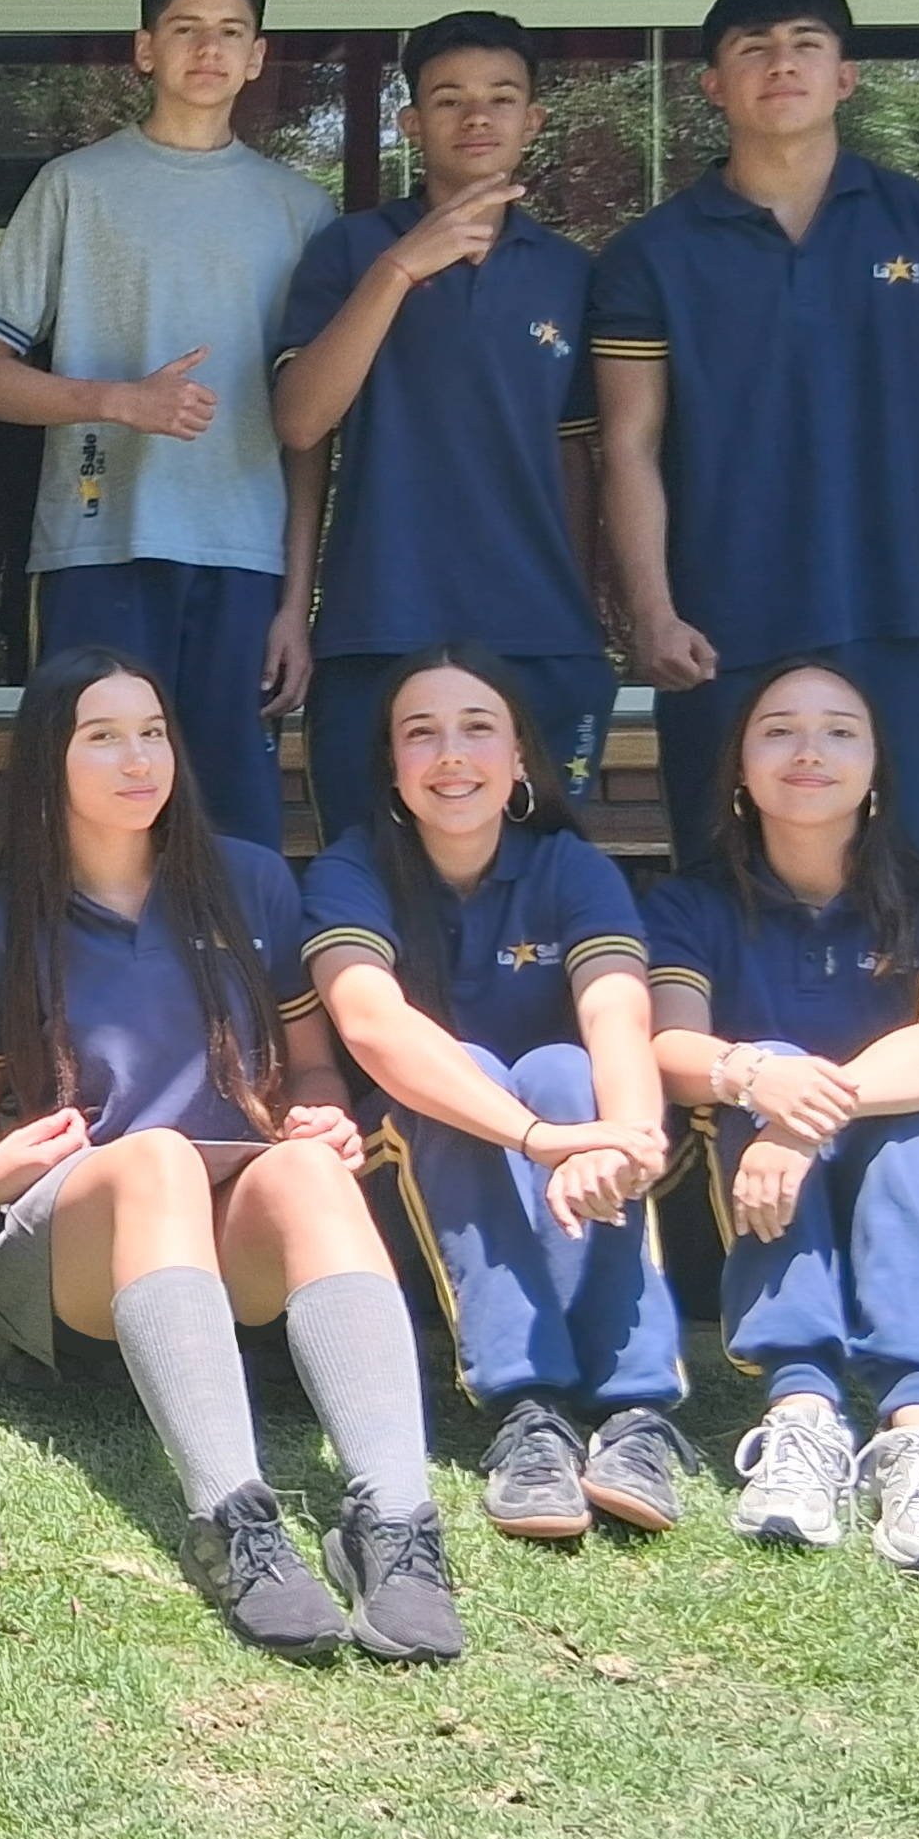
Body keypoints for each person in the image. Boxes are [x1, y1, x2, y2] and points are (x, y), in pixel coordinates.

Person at [0, 647, 461, 1664]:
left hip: (230, 1243)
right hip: (76, 1262)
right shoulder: (5, 927)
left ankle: (396, 1524)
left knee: (305, 1171)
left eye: (153, 733)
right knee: (158, 1159)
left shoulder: (251, 884)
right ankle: (234, 1521)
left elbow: (315, 1069)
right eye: (102, 737)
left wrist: (322, 1117)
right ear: (50, 761)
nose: (138, 760)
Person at [591, 0, 919, 873]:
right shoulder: (649, 257)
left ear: (846, 77)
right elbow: (629, 444)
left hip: (904, 610)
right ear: (712, 86)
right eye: (752, 47)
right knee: (725, 883)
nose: (781, 63)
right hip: (719, 624)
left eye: (806, 43)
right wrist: (651, 613)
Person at [0, 0, 332, 850]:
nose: (209, 49)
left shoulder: (301, 210)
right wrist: (118, 400)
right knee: (89, 814)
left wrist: (297, 602)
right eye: (186, 29)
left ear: (257, 57)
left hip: (243, 556)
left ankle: (236, 993)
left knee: (233, 822)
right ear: (144, 50)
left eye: (230, 32)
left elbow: (312, 433)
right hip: (99, 542)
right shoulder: (75, 188)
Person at [646, 663, 919, 1581]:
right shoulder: (687, 904)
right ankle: (800, 1412)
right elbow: (666, 1042)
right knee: (750, 1081)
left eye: (841, 732)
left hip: (913, 1200)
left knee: (908, 1120)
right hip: (735, 1212)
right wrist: (755, 1075)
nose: (809, 751)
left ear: (880, 766)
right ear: (737, 766)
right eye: (778, 730)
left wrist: (805, 1116)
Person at [304, 654, 680, 1545]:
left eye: (478, 728)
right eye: (420, 733)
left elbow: (618, 1014)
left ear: (520, 762)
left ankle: (636, 1412)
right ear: (392, 767)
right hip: (416, 1170)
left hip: (562, 1153)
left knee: (563, 1065)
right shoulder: (349, 871)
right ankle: (528, 1410)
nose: (451, 754)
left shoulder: (572, 867)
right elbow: (372, 1027)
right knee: (464, 1065)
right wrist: (538, 1136)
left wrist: (623, 1135)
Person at [277, 11, 613, 832]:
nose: (477, 117)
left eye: (501, 98)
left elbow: (580, 461)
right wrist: (400, 269)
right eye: (449, 99)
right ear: (410, 122)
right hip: (378, 620)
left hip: (540, 634)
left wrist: (586, 609)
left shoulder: (573, 273)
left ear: (532, 121)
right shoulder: (351, 251)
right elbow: (300, 424)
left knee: (536, 878)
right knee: (371, 880)